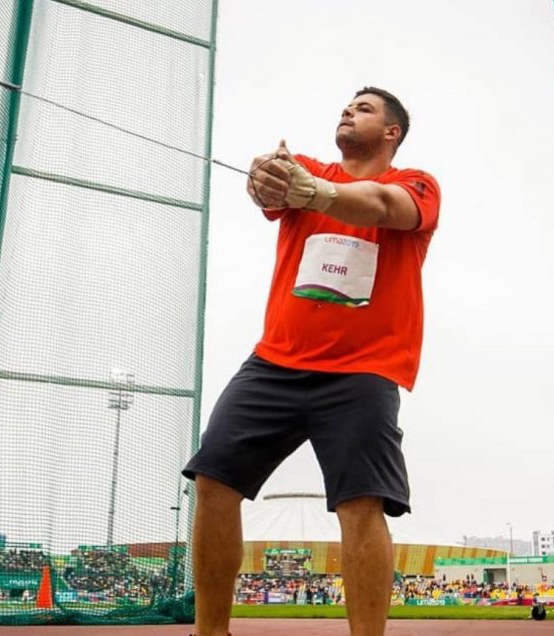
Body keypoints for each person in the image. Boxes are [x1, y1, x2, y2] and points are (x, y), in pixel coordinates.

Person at [183, 86, 441, 636]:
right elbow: (267, 189)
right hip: (273, 364)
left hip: (362, 373)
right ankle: (209, 632)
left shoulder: (415, 183)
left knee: (360, 506)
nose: (349, 110)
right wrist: (264, 176)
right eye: (348, 104)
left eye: (365, 107)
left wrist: (317, 194)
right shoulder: (305, 167)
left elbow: (382, 206)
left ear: (392, 132)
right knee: (212, 481)